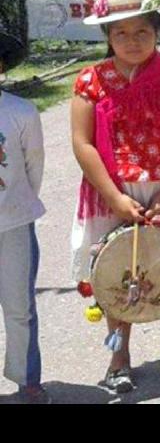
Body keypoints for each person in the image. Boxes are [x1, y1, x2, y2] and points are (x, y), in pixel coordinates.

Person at [70, 0, 160, 393]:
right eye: (120, 33)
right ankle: (119, 355)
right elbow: (82, 142)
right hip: (111, 189)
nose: (132, 41)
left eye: (141, 31)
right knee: (115, 273)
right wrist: (114, 196)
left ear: (157, 31)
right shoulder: (91, 81)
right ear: (107, 36)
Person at [0, 30, 50, 403]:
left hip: (12, 224)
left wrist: (17, 204)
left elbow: (34, 169)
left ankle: (27, 378)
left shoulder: (20, 112)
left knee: (19, 307)